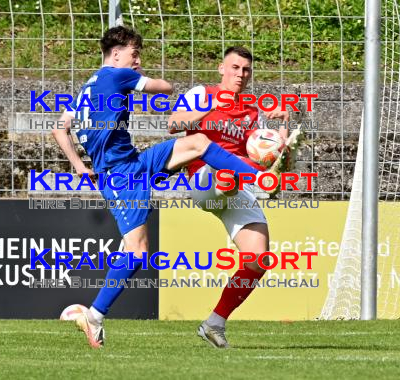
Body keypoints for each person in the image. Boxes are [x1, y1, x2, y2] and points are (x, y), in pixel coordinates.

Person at [53, 27, 278, 349]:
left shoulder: (87, 87)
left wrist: (78, 166)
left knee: (197, 142)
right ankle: (94, 315)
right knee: (137, 251)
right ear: (116, 54)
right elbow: (165, 87)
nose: (138, 60)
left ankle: (255, 176)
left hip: (133, 164)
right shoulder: (117, 75)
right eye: (135, 54)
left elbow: (60, 129)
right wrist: (140, 76)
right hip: (121, 176)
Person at [168, 46, 298, 348]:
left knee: (258, 259)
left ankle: (215, 323)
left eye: (246, 70)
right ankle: (248, 181)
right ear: (221, 68)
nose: (241, 74)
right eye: (235, 67)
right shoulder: (201, 93)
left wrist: (280, 142)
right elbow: (174, 123)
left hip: (237, 187)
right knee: (226, 176)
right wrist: (213, 105)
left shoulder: (253, 112)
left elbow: (260, 157)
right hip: (204, 180)